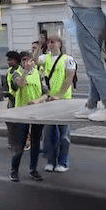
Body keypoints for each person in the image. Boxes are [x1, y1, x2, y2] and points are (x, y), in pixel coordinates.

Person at [35, 35, 76, 173]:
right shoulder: (45, 58)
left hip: (63, 101)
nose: (50, 44)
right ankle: (51, 161)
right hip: (49, 100)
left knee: (64, 134)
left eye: (52, 42)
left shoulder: (68, 59)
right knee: (48, 134)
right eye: (48, 42)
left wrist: (59, 95)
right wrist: (39, 46)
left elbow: (69, 79)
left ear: (59, 43)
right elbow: (34, 61)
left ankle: (63, 161)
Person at [9, 55, 48, 182]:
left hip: (37, 112)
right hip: (21, 112)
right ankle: (14, 170)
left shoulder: (39, 73)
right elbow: (18, 84)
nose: (27, 62)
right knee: (19, 144)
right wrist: (25, 71)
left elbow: (46, 93)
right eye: (24, 60)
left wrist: (38, 101)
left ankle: (33, 169)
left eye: (30, 60)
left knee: (35, 142)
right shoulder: (16, 73)